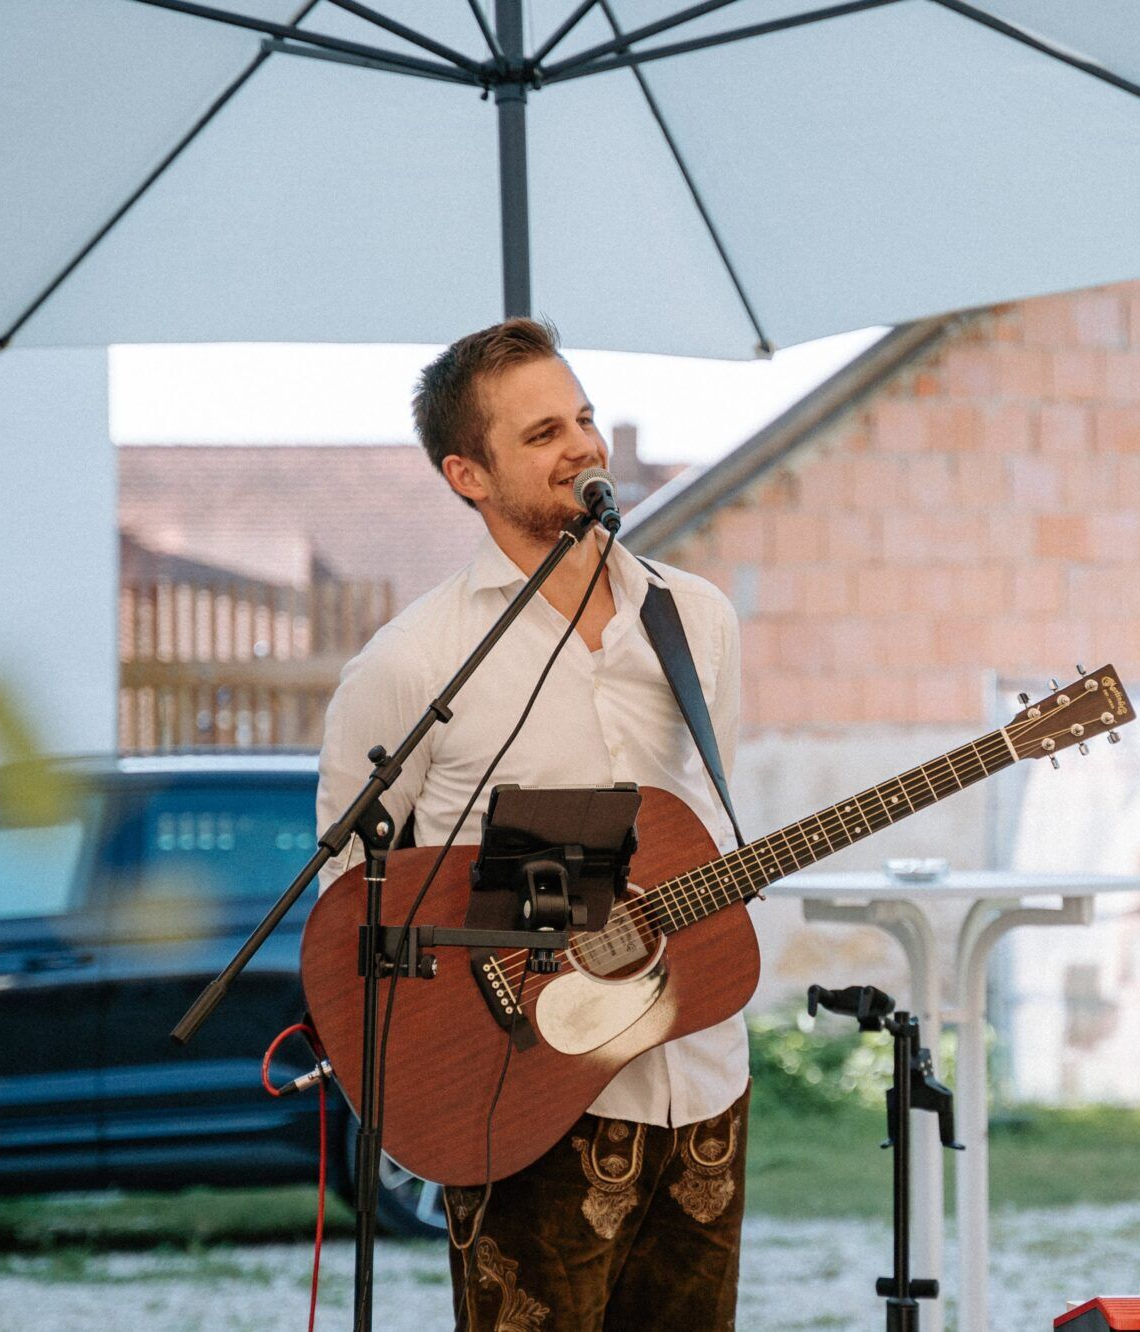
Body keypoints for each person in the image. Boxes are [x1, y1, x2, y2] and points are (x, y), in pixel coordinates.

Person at [315, 318, 748, 1330]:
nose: (584, 446)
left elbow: (707, 825)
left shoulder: (696, 621)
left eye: (584, 418)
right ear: (468, 475)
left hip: (699, 1074)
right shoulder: (412, 660)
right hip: (516, 1084)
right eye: (544, 432)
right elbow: (350, 898)